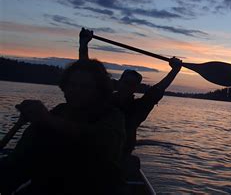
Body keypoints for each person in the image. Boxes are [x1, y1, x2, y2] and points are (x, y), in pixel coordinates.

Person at [0, 59, 125, 195]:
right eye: (72, 85)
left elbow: (104, 143)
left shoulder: (111, 116)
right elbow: (20, 160)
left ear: (99, 90)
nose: (76, 90)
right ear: (64, 86)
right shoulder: (58, 112)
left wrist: (48, 120)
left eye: (85, 86)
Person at [79, 28, 182, 156]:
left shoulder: (138, 108)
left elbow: (156, 91)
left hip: (120, 156)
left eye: (133, 84)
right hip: (95, 152)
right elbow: (86, 72)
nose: (128, 86)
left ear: (135, 88)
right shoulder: (102, 99)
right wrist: (83, 44)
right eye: (126, 82)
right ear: (119, 82)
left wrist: (175, 70)